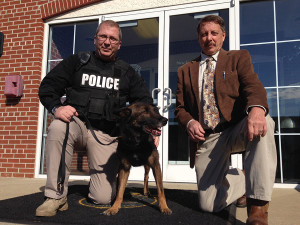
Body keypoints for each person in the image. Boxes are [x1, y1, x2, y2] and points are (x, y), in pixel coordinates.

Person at [36, 20, 156, 217]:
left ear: (119, 44)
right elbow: (48, 86)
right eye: (103, 37)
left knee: (102, 198)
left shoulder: (126, 72)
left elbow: (145, 102)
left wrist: (145, 129)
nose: (107, 42)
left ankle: (106, 181)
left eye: (112, 38)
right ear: (95, 39)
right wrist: (57, 107)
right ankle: (56, 195)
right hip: (77, 124)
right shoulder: (77, 62)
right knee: (58, 127)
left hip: (106, 134)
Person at [175, 15, 277, 225]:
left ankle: (257, 207)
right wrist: (190, 122)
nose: (209, 38)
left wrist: (257, 109)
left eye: (214, 33)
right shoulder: (185, 70)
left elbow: (252, 85)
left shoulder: (238, 58)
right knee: (208, 204)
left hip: (236, 127)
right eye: (204, 34)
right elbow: (180, 108)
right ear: (198, 38)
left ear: (223, 36)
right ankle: (242, 177)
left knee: (264, 122)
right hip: (209, 137)